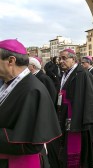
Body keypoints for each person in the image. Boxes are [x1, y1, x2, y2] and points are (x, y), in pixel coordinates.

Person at [0, 39, 61, 168]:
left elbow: (30, 141)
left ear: (11, 61)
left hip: (18, 163)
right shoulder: (9, 83)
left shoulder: (32, 90)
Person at [48, 49, 93, 168]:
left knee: (78, 151)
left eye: (64, 58)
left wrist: (87, 121)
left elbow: (90, 98)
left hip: (76, 118)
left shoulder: (83, 74)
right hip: (63, 115)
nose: (61, 61)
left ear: (73, 59)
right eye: (60, 58)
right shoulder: (64, 74)